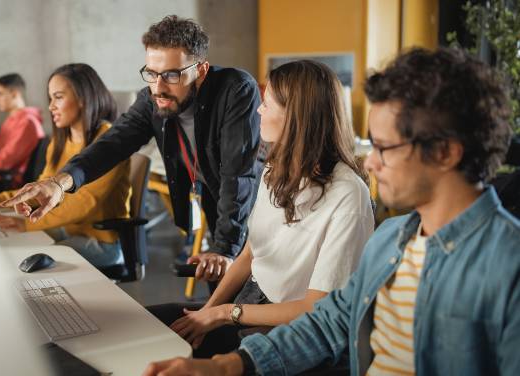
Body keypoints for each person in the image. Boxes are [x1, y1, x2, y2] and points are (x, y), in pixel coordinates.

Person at [143, 48, 520, 376]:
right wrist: (223, 367)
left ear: (445, 152)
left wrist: (224, 320)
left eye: (384, 148)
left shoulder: (508, 267)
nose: (370, 163)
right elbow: (328, 324)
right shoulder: (392, 240)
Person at [0, 15, 263, 281]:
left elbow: (237, 174)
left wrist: (225, 247)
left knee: (257, 287)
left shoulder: (235, 89)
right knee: (221, 286)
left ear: (201, 71)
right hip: (218, 201)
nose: (158, 88)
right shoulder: (152, 100)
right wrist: (59, 183)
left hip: (262, 203)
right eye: (151, 74)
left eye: (172, 75)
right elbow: (111, 144)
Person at [147, 60, 374, 358]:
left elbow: (316, 308)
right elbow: (250, 254)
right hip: (248, 301)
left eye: (266, 103)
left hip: (288, 329)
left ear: (295, 116)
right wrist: (206, 311)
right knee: (141, 325)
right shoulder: (276, 169)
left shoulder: (348, 195)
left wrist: (222, 314)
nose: (258, 110)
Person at [0, 64, 130, 269]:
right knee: (7, 246)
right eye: (51, 98)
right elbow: (41, 188)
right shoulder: (60, 142)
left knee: (21, 261)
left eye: (58, 97)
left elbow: (83, 204)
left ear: (83, 98)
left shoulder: (109, 142)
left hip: (103, 243)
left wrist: (27, 224)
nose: (51, 107)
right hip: (68, 230)